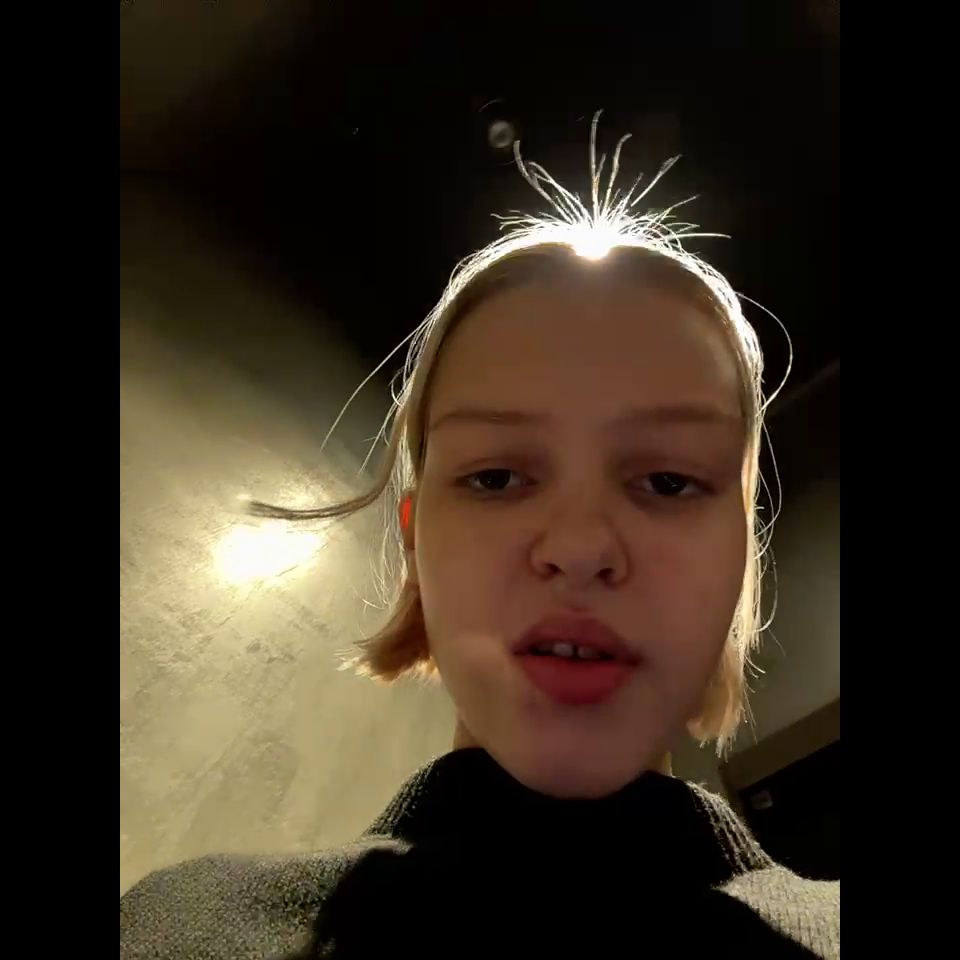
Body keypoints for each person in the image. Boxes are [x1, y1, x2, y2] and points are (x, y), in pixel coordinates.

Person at [120, 118, 840, 959]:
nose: (579, 547)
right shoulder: (174, 928)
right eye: (496, 477)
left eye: (669, 482)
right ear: (415, 547)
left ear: (739, 560)